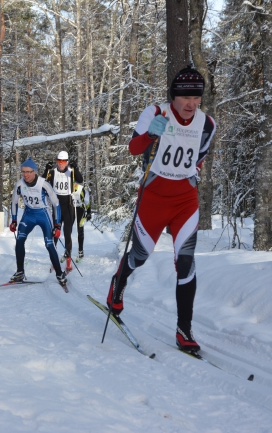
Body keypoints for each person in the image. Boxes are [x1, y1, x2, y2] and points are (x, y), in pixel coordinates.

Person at [106, 66, 216, 352]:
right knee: (140, 256)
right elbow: (133, 148)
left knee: (187, 263)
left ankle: (184, 330)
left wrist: (190, 173)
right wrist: (151, 136)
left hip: (185, 201)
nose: (192, 104)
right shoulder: (156, 112)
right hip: (153, 198)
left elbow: (198, 159)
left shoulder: (207, 124)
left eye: (197, 98)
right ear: (174, 96)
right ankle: (118, 281)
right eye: (186, 98)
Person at [9, 158, 67, 288]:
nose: (25, 175)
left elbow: (56, 203)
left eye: (28, 172)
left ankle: (59, 273)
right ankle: (20, 272)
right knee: (19, 240)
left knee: (49, 244)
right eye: (23, 172)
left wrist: (57, 224)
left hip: (43, 214)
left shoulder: (43, 184)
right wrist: (13, 220)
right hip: (29, 214)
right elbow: (14, 202)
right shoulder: (19, 184)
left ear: (34, 172)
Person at [43, 151, 83, 272]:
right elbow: (42, 182)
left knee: (67, 234)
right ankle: (54, 262)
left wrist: (76, 168)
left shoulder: (71, 172)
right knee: (55, 234)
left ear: (67, 162)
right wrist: (46, 169)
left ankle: (68, 263)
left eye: (63, 162)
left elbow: (80, 180)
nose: (60, 164)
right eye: (59, 162)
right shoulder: (53, 172)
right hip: (57, 205)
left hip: (69, 205)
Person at [71, 183, 92, 261]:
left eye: (75, 182)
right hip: (71, 209)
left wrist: (89, 212)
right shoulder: (67, 188)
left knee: (80, 229)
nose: (74, 184)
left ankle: (80, 250)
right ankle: (67, 250)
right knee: (68, 229)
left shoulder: (82, 189)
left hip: (80, 209)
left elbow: (87, 202)